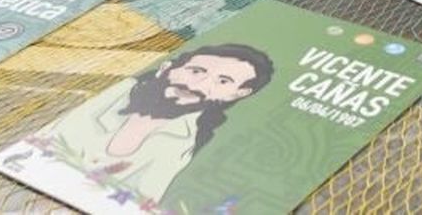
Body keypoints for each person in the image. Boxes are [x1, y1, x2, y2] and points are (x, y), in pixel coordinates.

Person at [41, 46, 274, 204]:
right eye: (195, 71)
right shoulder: (115, 93)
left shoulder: (187, 142)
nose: (199, 84)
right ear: (167, 68)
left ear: (236, 94)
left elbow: (137, 201)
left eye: (223, 81)